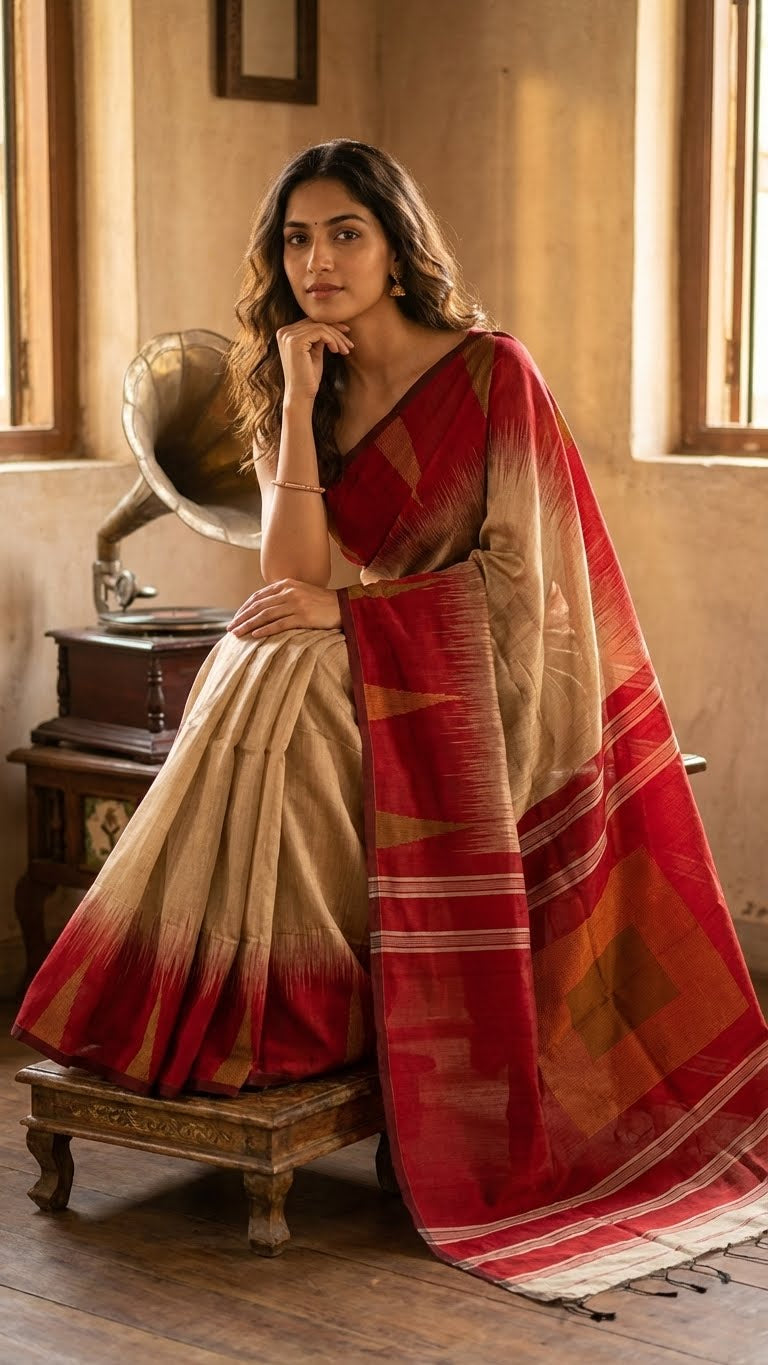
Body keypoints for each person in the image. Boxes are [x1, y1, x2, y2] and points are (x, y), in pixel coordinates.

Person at [12, 139, 768, 1311]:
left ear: (396, 244)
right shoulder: (286, 385)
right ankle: (244, 1005)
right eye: (296, 240)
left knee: (288, 671)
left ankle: (275, 1011)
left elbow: (527, 584)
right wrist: (304, 408)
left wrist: (357, 616)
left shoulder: (490, 373)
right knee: (265, 659)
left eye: (344, 234)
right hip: (379, 661)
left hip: (494, 682)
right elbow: (294, 571)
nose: (317, 260)